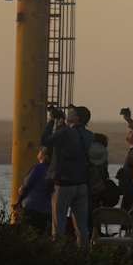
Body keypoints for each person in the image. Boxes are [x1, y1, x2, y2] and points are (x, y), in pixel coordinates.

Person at [41, 103, 94, 245]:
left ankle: (57, 255)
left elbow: (45, 140)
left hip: (64, 184)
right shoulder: (89, 135)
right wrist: (61, 124)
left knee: (58, 225)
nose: (68, 114)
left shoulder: (66, 132)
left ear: (75, 118)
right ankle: (83, 255)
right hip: (81, 184)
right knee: (81, 227)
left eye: (71, 113)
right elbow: (67, 140)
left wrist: (51, 120)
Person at [19, 146, 52, 232]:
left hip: (32, 206)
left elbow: (26, 186)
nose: (40, 149)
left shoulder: (39, 168)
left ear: (46, 156)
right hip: (47, 210)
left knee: (27, 233)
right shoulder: (53, 170)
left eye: (42, 149)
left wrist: (18, 201)